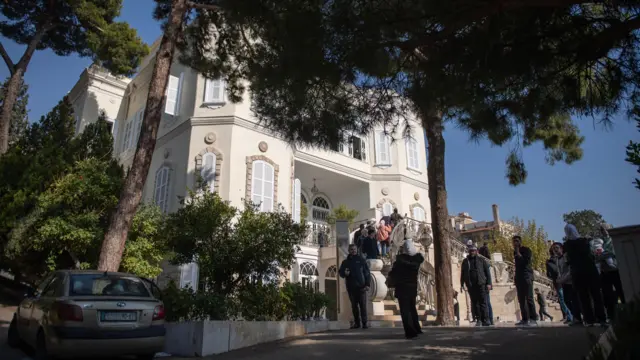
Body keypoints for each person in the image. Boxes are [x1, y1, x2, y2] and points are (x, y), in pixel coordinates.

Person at [563, 224, 607, 327]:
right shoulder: (584, 241)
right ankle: (601, 318)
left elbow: (568, 260)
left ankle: (589, 319)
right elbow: (591, 254)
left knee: (584, 297)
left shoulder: (567, 245)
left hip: (578, 273)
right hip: (590, 270)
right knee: (596, 295)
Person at [387, 239, 424, 339]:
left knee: (405, 311)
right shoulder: (417, 261)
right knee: (412, 309)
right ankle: (417, 328)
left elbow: (392, 273)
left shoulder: (399, 262)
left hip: (402, 288)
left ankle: (410, 331)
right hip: (412, 287)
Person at [339, 244, 371, 329]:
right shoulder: (345, 262)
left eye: (354, 249)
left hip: (362, 287)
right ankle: (357, 323)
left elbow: (367, 273)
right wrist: (344, 273)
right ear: (349, 251)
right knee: (354, 306)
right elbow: (341, 273)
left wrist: (367, 284)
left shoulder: (361, 260)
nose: (353, 251)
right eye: (351, 249)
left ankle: (364, 323)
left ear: (357, 250)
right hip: (351, 287)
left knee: (363, 306)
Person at [593, 237, 624, 321]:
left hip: (612, 275)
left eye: (598, 249)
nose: (597, 251)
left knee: (618, 294)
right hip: (605, 277)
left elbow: (611, 265)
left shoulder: (606, 254)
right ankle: (612, 315)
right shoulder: (598, 257)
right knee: (608, 297)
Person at [460, 243, 492, 326]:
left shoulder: (482, 260)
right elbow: (463, 273)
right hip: (471, 285)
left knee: (483, 302)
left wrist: (489, 283)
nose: (472, 252)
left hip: (481, 283)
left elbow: (487, 272)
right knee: (475, 303)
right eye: (471, 251)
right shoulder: (465, 261)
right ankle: (479, 320)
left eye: (473, 250)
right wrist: (462, 284)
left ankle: (486, 319)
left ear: (476, 251)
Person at [546, 242, 574, 324]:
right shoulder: (554, 260)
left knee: (568, 299)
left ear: (561, 248)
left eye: (556, 248)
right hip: (559, 282)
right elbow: (552, 273)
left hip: (567, 281)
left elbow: (568, 269)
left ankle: (572, 316)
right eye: (554, 249)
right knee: (564, 300)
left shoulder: (564, 257)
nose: (555, 250)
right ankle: (569, 316)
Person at [512, 235, 538, 326]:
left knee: (529, 298)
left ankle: (533, 318)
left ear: (520, 241)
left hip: (527, 276)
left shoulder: (526, 250)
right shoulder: (514, 252)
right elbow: (517, 266)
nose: (515, 242)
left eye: (517, 241)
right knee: (521, 299)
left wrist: (518, 253)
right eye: (514, 241)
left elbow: (525, 262)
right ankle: (525, 319)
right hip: (519, 278)